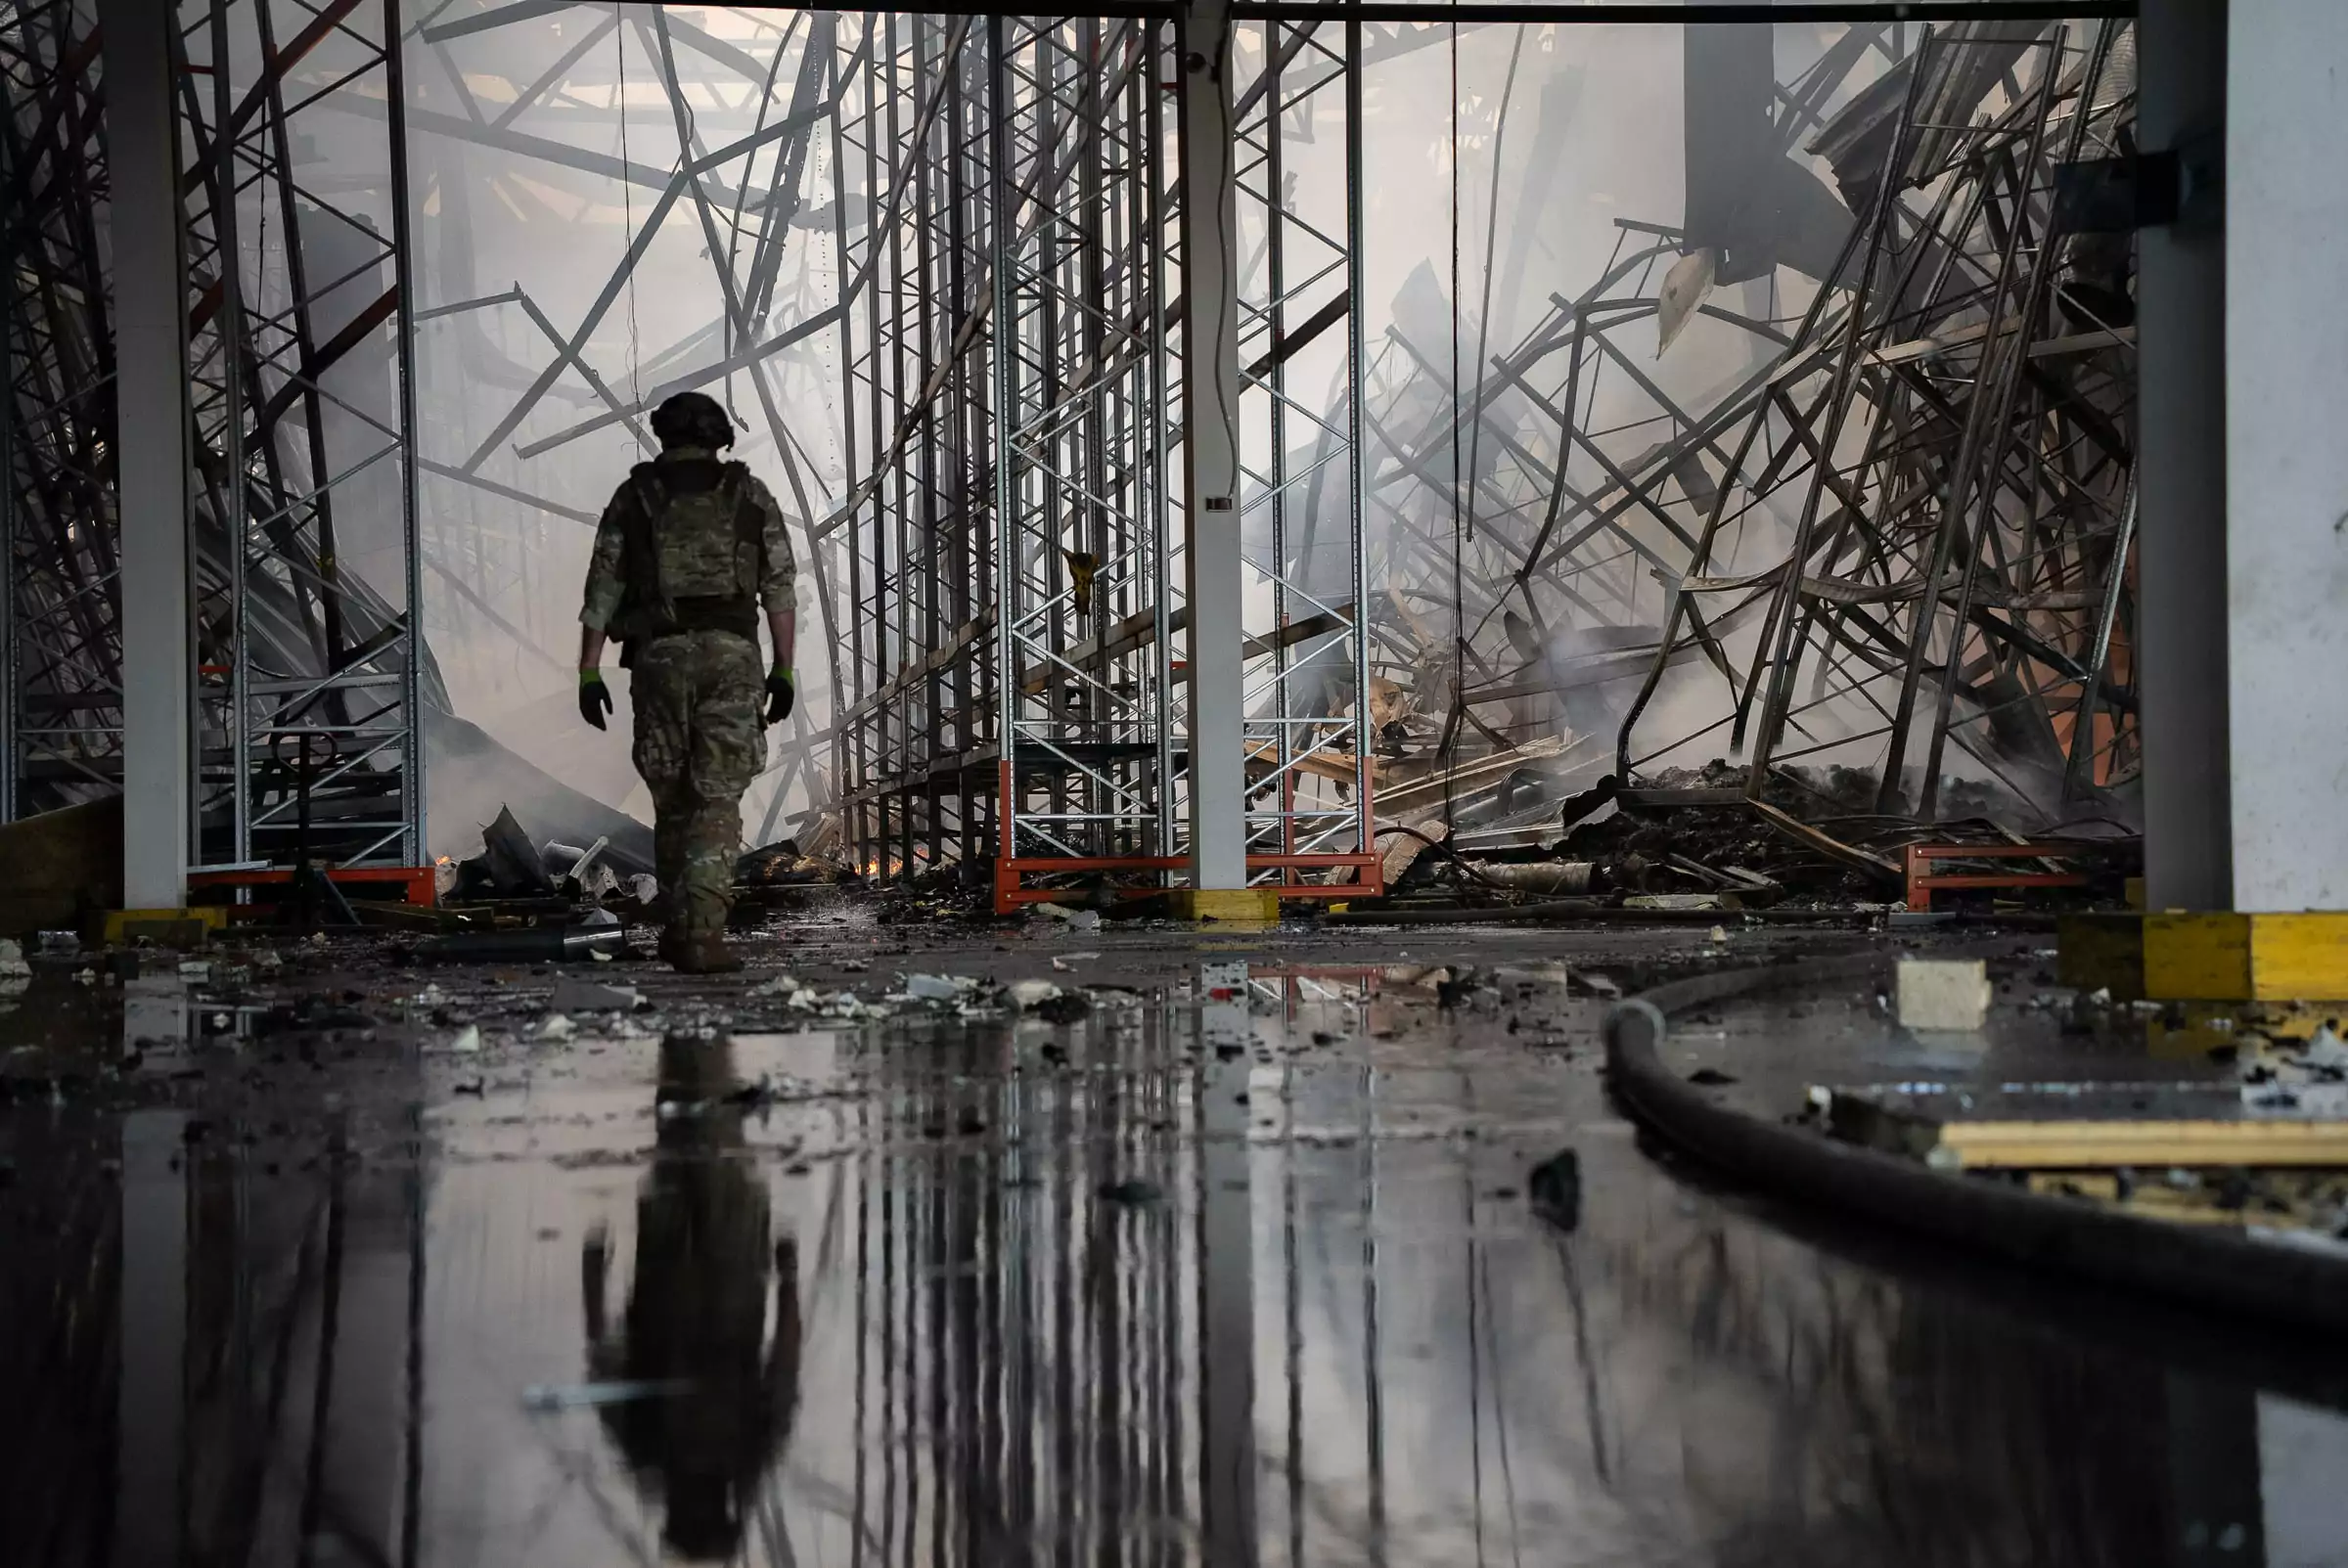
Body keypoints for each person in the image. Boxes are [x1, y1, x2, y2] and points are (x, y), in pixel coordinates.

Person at [576, 391, 795, 973]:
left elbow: (602, 589)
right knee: (715, 798)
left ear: (663, 436)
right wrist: (785, 668)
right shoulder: (749, 496)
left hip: (657, 661)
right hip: (730, 660)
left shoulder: (634, 498)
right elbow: (779, 591)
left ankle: (681, 927)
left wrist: (588, 670)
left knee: (672, 801)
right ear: (721, 436)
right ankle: (701, 935)